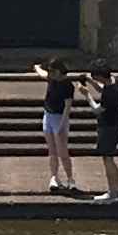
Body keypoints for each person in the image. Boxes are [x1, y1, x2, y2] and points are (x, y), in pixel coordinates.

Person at [34, 56, 77, 194]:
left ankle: (70, 179)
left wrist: (62, 124)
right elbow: (42, 73)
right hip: (48, 115)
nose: (50, 74)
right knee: (52, 151)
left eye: (52, 71)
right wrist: (37, 67)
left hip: (59, 118)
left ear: (58, 71)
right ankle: (54, 177)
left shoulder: (67, 85)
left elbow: (67, 106)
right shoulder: (51, 79)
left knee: (62, 152)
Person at [89, 60, 118, 205]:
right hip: (115, 124)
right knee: (109, 158)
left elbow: (97, 109)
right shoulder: (114, 81)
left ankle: (113, 192)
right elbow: (103, 88)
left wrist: (86, 95)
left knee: (108, 159)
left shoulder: (109, 94)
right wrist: (92, 83)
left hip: (108, 126)